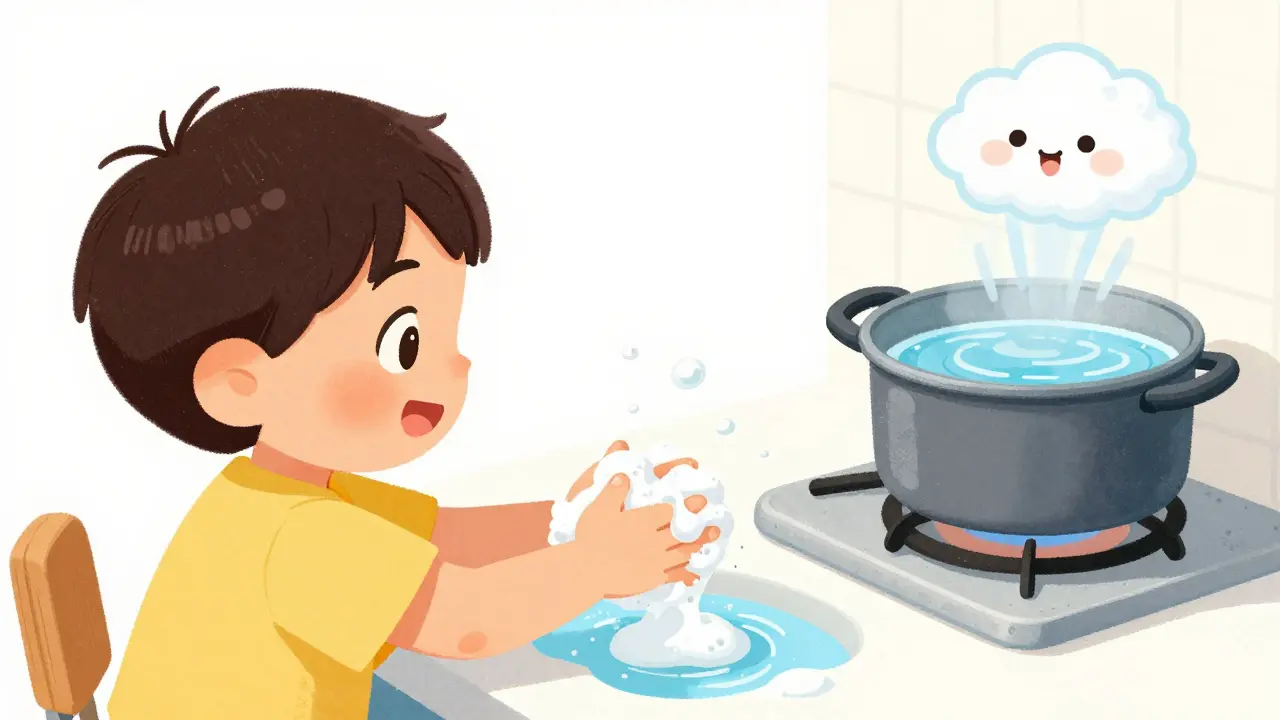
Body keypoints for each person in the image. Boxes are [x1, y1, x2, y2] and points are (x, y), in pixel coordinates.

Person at [74, 86, 718, 720]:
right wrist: (594, 566)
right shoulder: (300, 536)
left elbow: (448, 536)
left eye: (448, 333)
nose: (453, 367)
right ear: (241, 384)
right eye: (405, 342)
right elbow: (467, 624)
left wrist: (570, 515)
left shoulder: (285, 495)